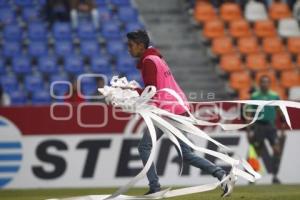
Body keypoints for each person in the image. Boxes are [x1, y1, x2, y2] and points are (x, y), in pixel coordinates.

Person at [126, 30, 235, 197]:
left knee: (144, 147)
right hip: (179, 109)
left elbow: (151, 92)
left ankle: (154, 187)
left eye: (131, 45)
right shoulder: (156, 58)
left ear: (141, 45)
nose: (129, 49)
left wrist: (131, 91)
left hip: (168, 112)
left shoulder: (148, 61)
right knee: (186, 155)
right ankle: (222, 175)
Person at [246, 75, 283, 184]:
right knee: (256, 152)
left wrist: (283, 127)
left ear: (269, 84)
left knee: (277, 150)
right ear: (260, 84)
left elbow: (280, 110)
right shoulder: (254, 96)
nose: (264, 84)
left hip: (271, 126)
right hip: (258, 126)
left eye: (266, 82)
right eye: (263, 82)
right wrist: (249, 130)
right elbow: (248, 113)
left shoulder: (274, 96)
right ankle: (253, 176)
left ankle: (275, 176)